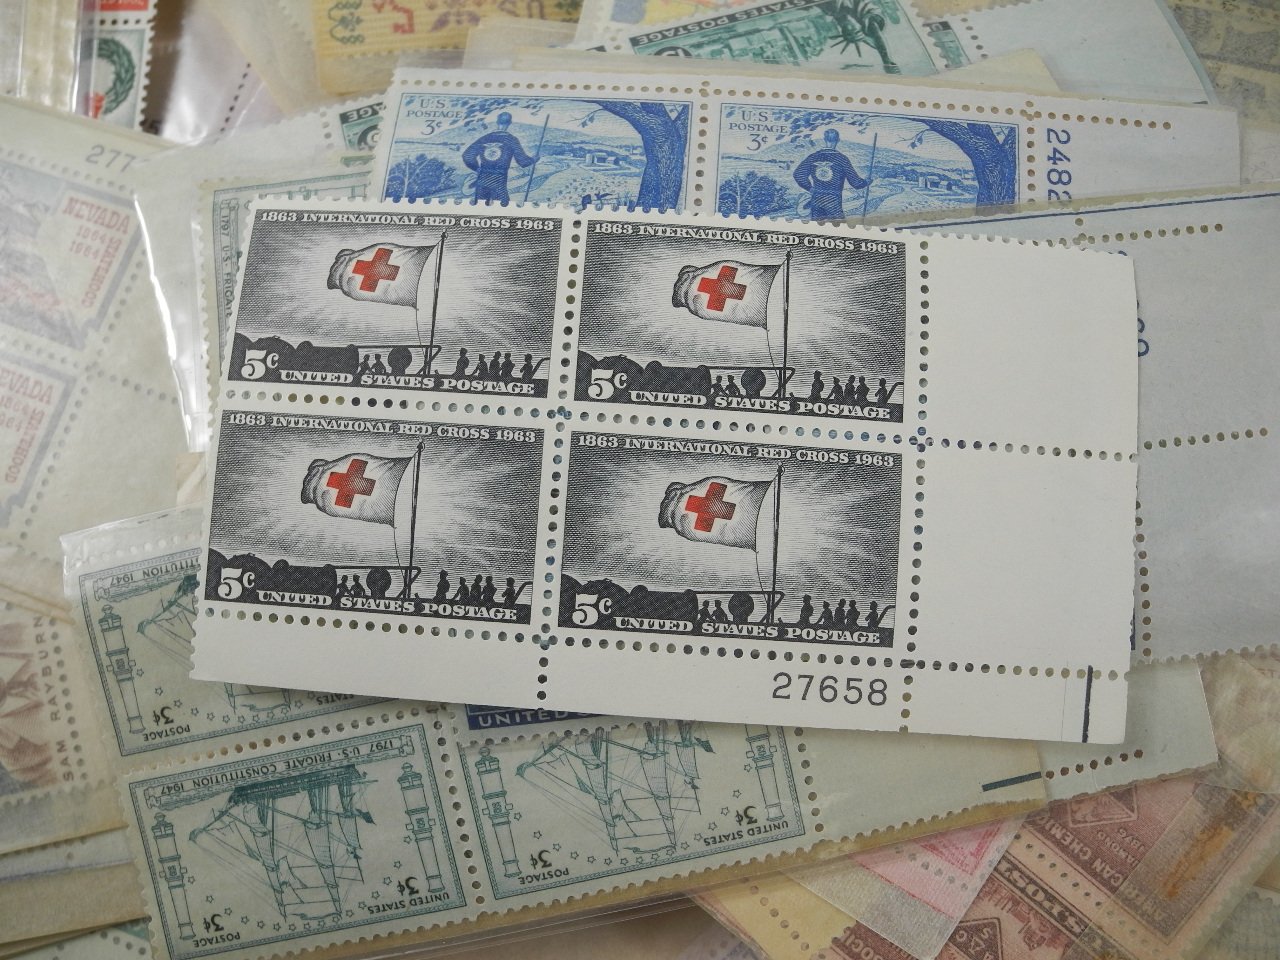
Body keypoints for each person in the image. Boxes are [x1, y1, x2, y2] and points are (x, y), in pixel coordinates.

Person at [792, 129, 869, 221]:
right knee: (837, 227)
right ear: (838, 140)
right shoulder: (842, 159)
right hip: (833, 201)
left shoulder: (813, 157)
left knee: (816, 227)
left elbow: (798, 174)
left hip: (816, 199)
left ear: (824, 139)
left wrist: (810, 188)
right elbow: (856, 183)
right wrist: (866, 182)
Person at [462, 112, 535, 203]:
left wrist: (477, 168)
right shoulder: (511, 140)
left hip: (482, 180)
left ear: (497, 121)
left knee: (480, 206)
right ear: (510, 123)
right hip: (499, 181)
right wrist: (534, 159)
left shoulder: (484, 138)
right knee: (502, 207)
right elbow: (523, 162)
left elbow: (467, 155)